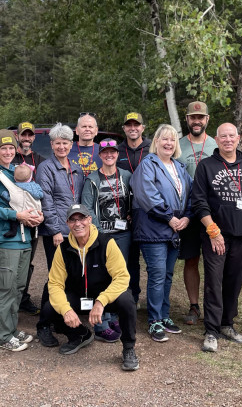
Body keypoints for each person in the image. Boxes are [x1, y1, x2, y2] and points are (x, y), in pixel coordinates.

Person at [39, 204, 139, 371]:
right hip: (79, 297)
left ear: (90, 220)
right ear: (68, 224)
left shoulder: (107, 243)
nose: (78, 224)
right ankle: (79, 334)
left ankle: (128, 348)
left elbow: (122, 277)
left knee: (127, 300)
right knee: (51, 306)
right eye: (73, 220)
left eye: (82, 219)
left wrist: (101, 302)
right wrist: (66, 310)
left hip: (103, 298)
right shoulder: (63, 249)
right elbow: (55, 284)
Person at [192, 123, 242, 353]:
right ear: (216, 140)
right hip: (215, 236)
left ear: (239, 139)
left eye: (232, 136)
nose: (228, 140)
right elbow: (199, 202)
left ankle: (227, 324)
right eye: (223, 136)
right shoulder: (206, 166)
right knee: (214, 282)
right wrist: (213, 231)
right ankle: (211, 330)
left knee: (234, 281)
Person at [0, 130, 43, 352]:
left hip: (25, 238)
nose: (7, 152)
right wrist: (17, 216)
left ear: (15, 150)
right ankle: (2, 336)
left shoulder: (16, 172)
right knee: (6, 288)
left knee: (18, 287)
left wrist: (36, 216)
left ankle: (11, 328)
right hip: (6, 240)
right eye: (3, 148)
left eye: (10, 148)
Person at [131, 125, 192, 342]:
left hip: (175, 229)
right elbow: (147, 195)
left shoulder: (179, 167)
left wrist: (187, 216)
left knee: (167, 275)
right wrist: (170, 217)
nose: (168, 143)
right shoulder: (148, 165)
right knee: (157, 274)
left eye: (172, 140)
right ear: (156, 141)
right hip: (153, 228)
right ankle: (154, 320)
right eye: (164, 139)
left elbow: (191, 194)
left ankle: (164, 316)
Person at [34, 123, 84, 346]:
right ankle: (44, 325)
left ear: (71, 145)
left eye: (65, 142)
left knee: (70, 278)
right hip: (57, 233)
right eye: (57, 143)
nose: (62, 146)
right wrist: (55, 229)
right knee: (55, 279)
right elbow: (47, 200)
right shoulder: (46, 168)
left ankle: (59, 318)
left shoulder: (76, 168)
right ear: (52, 145)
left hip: (74, 232)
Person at [81, 138, 132, 343]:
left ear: (117, 154)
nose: (109, 155)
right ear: (100, 155)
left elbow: (134, 199)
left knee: (118, 275)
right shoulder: (92, 179)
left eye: (112, 152)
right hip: (102, 236)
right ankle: (101, 323)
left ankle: (113, 314)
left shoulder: (127, 176)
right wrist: (100, 234)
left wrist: (131, 216)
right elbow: (87, 208)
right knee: (100, 276)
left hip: (123, 234)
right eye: (105, 152)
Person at [176, 101, 217, 325]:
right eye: (193, 117)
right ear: (187, 119)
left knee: (214, 261)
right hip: (189, 213)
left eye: (201, 117)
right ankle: (193, 306)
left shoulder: (216, 144)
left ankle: (214, 305)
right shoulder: (178, 145)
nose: (197, 121)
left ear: (207, 119)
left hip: (213, 213)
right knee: (191, 260)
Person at [117, 112, 151, 305]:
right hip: (123, 211)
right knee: (128, 258)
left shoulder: (151, 149)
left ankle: (151, 299)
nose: (132, 128)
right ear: (124, 128)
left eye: (136, 125)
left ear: (142, 128)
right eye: (128, 125)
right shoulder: (117, 151)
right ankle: (132, 294)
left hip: (146, 211)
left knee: (149, 257)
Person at [12, 122, 45, 316]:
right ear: (17, 136)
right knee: (12, 262)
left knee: (28, 261)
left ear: (33, 137)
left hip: (32, 219)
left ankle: (23, 297)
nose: (26, 138)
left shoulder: (40, 159)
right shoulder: (9, 155)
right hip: (13, 219)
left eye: (29, 135)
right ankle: (11, 298)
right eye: (23, 135)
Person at [0, 164, 43, 240]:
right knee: (34, 222)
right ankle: (34, 233)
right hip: (35, 212)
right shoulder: (36, 186)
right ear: (30, 177)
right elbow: (41, 194)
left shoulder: (15, 187)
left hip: (22, 212)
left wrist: (3, 194)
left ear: (14, 178)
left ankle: (13, 230)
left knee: (13, 215)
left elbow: (11, 198)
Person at [68, 112, 102, 177]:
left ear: (96, 130)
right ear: (77, 130)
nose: (87, 129)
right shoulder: (67, 150)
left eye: (90, 127)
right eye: (84, 126)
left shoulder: (103, 151)